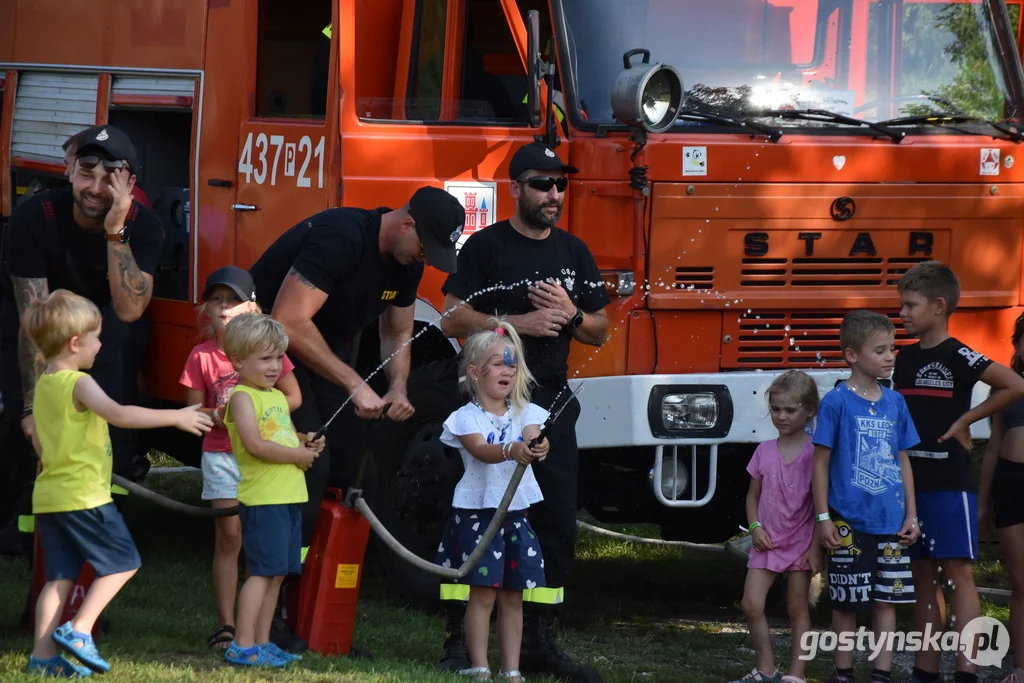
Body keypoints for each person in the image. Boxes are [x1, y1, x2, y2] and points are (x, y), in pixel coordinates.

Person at [248, 185, 464, 647]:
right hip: (269, 353)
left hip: (323, 350)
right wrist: (354, 382)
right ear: (406, 223)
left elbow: (398, 329)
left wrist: (399, 385)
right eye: (425, 248)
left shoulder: (408, 260)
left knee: (349, 466)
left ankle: (323, 612)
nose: (423, 259)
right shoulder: (342, 235)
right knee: (308, 464)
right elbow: (287, 321)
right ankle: (272, 610)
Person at [440, 142, 610, 683]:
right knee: (474, 515)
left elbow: (600, 332)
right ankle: (458, 640)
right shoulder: (486, 247)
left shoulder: (574, 252)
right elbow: (450, 318)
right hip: (491, 399)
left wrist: (573, 313)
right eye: (541, 184)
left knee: (555, 519)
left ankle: (540, 641)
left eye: (560, 184)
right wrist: (519, 323)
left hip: (551, 400)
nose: (553, 194)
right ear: (514, 188)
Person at [22, 289, 211, 676]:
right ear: (75, 343)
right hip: (84, 495)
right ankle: (79, 629)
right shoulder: (79, 383)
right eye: (96, 337)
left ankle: (42, 657)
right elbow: (120, 415)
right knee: (123, 563)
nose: (100, 344)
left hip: (51, 496)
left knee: (58, 577)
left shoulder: (44, 384)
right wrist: (175, 418)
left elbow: (40, 442)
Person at [2, 125, 165, 557]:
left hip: (103, 339)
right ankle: (24, 534)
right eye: (86, 173)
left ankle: (102, 529)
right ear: (69, 170)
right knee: (26, 435)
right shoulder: (34, 216)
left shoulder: (145, 227)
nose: (95, 188)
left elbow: (130, 309)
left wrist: (115, 232)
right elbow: (32, 320)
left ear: (130, 184)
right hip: (39, 334)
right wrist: (33, 406)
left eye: (109, 178)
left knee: (107, 436)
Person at [893, 261, 1024, 683]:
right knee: (922, 579)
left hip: (951, 482)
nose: (903, 314)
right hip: (912, 483)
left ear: (939, 305)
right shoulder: (903, 357)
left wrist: (968, 419)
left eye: (910, 306)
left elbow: (1015, 385)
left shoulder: (960, 354)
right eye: (901, 305)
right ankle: (925, 670)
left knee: (958, 575)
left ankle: (967, 671)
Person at [178, 266, 303, 650]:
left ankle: (259, 635)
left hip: (270, 467)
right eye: (217, 300)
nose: (225, 308)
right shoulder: (202, 356)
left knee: (267, 555)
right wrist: (220, 417)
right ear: (207, 309)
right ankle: (229, 627)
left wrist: (291, 439)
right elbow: (192, 413)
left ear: (252, 306)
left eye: (233, 300)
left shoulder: (267, 359)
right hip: (222, 454)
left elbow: (291, 399)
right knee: (230, 537)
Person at [437, 320, 551, 683]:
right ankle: (480, 665)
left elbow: (533, 435)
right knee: (483, 594)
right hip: (478, 515)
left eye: (512, 364)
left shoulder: (526, 412)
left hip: (516, 515)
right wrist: (509, 449)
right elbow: (481, 450)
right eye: (499, 363)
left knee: (514, 596)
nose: (507, 370)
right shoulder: (464, 418)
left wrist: (537, 445)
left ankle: (512, 669)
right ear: (474, 372)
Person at [812, 310, 921, 683]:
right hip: (847, 521)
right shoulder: (836, 402)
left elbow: (902, 458)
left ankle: (881, 674)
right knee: (846, 602)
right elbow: (821, 463)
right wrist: (823, 517)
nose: (890, 356)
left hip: (891, 521)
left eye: (892, 348)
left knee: (885, 600)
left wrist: (912, 515)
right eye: (880, 350)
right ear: (852, 355)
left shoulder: (896, 402)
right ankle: (843, 674)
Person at [221, 313, 324, 668]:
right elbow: (255, 445)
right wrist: (297, 456)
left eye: (278, 358)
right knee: (261, 572)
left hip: (289, 496)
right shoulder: (242, 397)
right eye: (265, 358)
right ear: (237, 360)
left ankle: (262, 642)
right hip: (264, 499)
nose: (274, 366)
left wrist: (305, 442)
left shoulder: (277, 398)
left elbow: (281, 435)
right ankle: (242, 643)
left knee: (278, 573)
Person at [732, 370, 822, 683]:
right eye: (775, 409)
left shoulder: (816, 454)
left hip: (800, 544)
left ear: (809, 410)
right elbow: (752, 496)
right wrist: (755, 527)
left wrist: (814, 548)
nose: (781, 416)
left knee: (797, 608)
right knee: (751, 604)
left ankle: (796, 675)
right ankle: (766, 669)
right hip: (766, 542)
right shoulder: (763, 451)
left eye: (790, 410)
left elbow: (820, 504)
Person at [979, 312, 1024, 683]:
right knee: (1020, 581)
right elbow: (992, 448)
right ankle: (1020, 666)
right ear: (1018, 346)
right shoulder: (1004, 388)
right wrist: (982, 504)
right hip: (1011, 483)